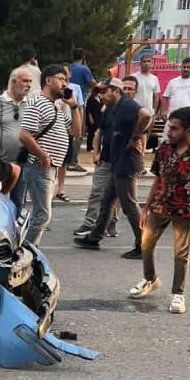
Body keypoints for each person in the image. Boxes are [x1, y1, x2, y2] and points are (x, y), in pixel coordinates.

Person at [129, 107, 190, 314]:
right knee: (145, 243)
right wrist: (145, 207)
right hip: (161, 204)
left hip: (186, 208)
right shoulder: (165, 148)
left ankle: (178, 293)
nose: (169, 132)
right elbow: (158, 178)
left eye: (175, 128)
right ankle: (150, 279)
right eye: (169, 127)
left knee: (181, 253)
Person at [74, 76, 151, 257]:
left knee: (129, 206)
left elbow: (146, 115)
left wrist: (135, 137)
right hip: (117, 163)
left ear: (116, 91)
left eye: (105, 91)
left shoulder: (127, 105)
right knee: (107, 200)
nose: (101, 95)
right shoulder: (111, 108)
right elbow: (102, 131)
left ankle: (144, 244)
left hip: (127, 164)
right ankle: (94, 237)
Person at [18, 64, 71, 245]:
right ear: (48, 81)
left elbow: (76, 132)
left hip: (50, 168)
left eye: (66, 80)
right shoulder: (38, 102)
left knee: (41, 215)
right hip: (40, 167)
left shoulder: (55, 106)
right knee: (42, 215)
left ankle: (31, 252)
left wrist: (76, 107)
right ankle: (25, 252)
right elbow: (25, 135)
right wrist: (44, 156)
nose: (65, 84)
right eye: (61, 79)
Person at [73, 83, 119, 238]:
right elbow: (99, 132)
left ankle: (111, 222)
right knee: (96, 192)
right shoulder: (108, 110)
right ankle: (89, 223)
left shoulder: (133, 111)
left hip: (120, 162)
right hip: (104, 159)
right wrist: (96, 152)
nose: (103, 96)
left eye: (105, 93)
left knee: (117, 195)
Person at [85, 86, 104, 153]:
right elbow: (89, 110)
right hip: (93, 117)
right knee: (91, 133)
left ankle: (94, 146)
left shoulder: (99, 99)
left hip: (98, 117)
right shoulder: (90, 99)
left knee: (96, 132)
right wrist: (90, 118)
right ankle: (89, 147)